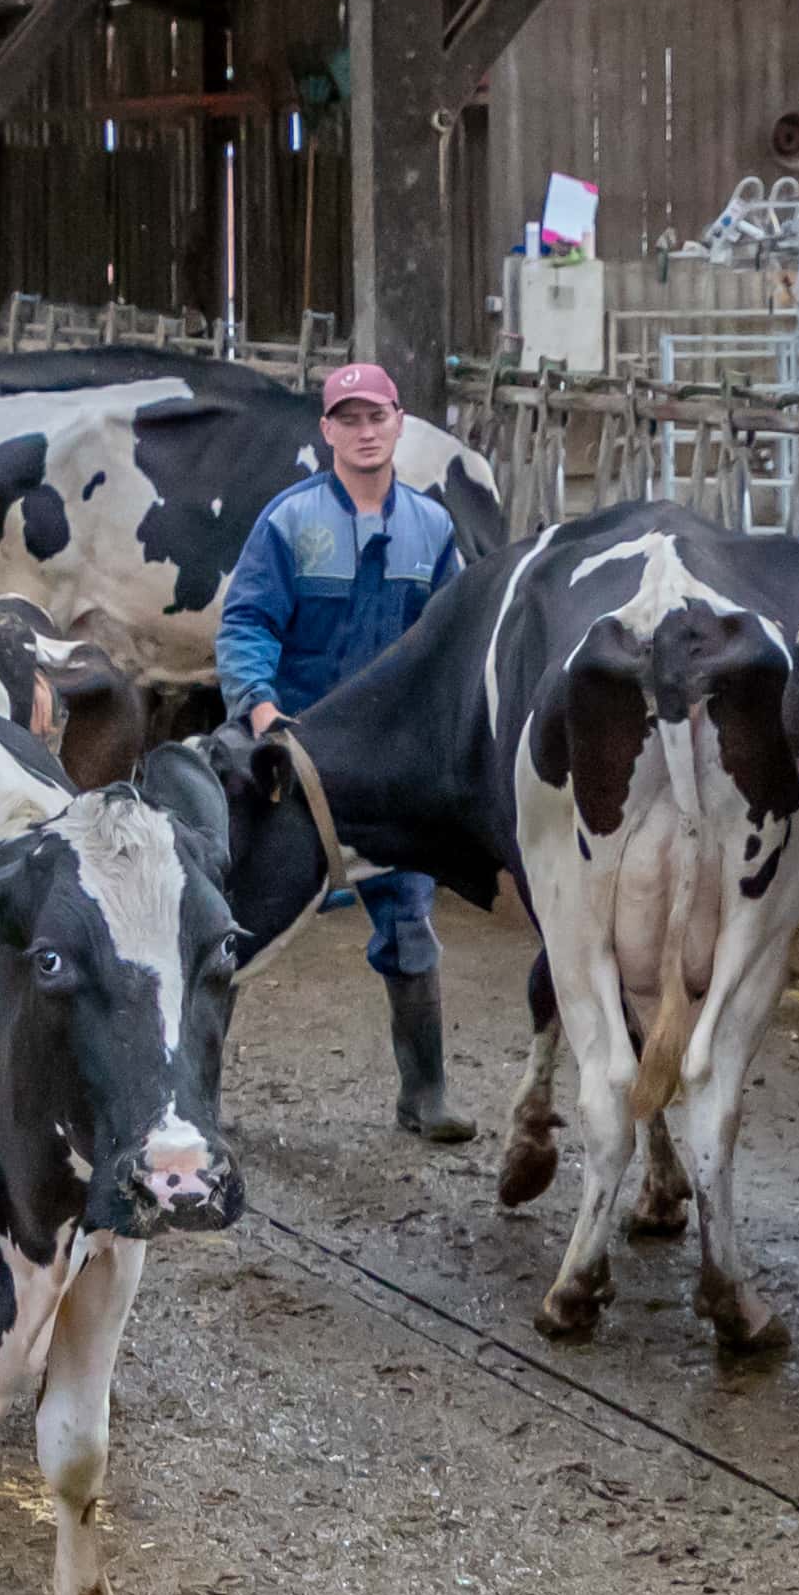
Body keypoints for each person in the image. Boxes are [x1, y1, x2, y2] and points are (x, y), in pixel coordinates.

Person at [217, 361, 475, 1141]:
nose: (365, 432)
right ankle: (194, 1097)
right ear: (326, 430)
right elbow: (246, 624)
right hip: (294, 761)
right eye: (349, 418)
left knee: (409, 926)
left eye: (378, 417)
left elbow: (449, 641)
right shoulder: (291, 521)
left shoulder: (432, 528)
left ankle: (424, 1095)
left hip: (390, 768)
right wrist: (261, 710)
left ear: (400, 422)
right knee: (233, 928)